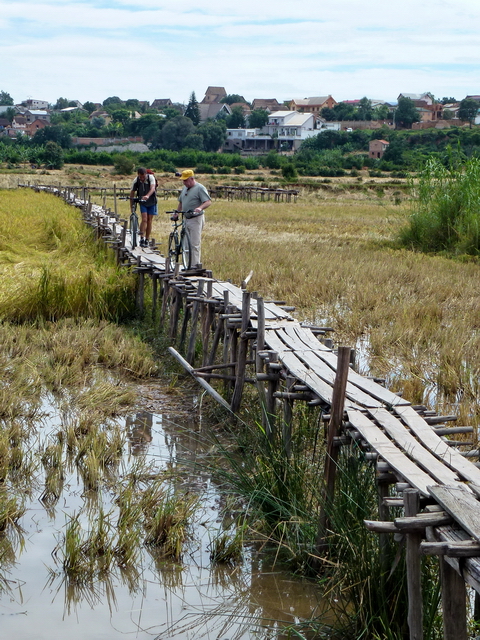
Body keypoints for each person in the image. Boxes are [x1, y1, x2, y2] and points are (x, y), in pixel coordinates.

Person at [176, 169, 211, 267]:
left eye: (186, 180)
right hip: (186, 218)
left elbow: (208, 201)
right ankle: (187, 265)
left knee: (194, 244)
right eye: (183, 180)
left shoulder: (200, 188)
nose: (184, 182)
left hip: (196, 218)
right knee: (186, 244)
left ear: (191, 179)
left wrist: (200, 208)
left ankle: (195, 266)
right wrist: (177, 213)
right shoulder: (185, 189)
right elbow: (181, 202)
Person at [130, 167, 157, 248]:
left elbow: (153, 188)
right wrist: (131, 206)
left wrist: (147, 196)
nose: (142, 178)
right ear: (138, 175)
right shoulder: (136, 180)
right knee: (144, 219)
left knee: (149, 220)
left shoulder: (151, 178)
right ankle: (142, 238)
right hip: (142, 202)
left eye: (143, 177)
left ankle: (147, 239)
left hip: (152, 201)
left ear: (146, 174)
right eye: (140, 177)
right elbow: (132, 192)